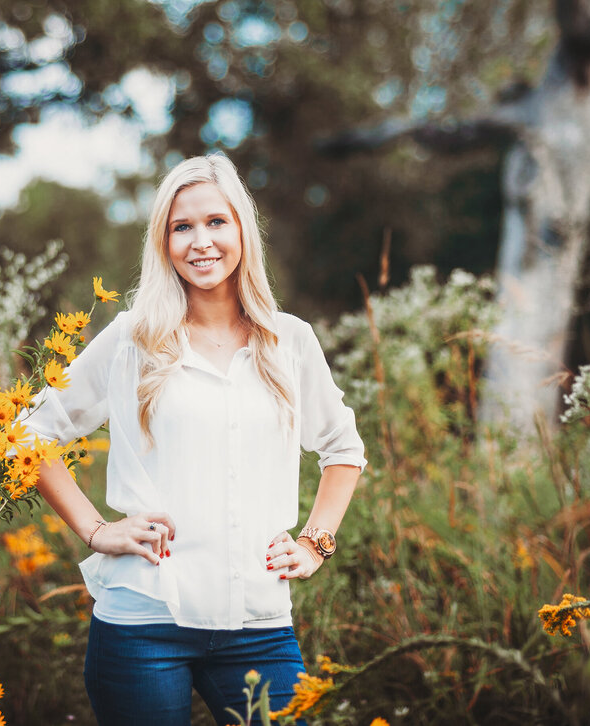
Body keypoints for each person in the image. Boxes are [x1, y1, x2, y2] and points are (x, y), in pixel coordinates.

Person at [25, 154, 366, 726]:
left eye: (216, 222)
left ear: (242, 232)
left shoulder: (291, 341)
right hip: (142, 627)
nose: (200, 242)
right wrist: (97, 530)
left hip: (259, 627)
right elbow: (29, 434)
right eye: (182, 227)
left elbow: (343, 450)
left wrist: (314, 544)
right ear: (164, 242)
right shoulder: (132, 340)